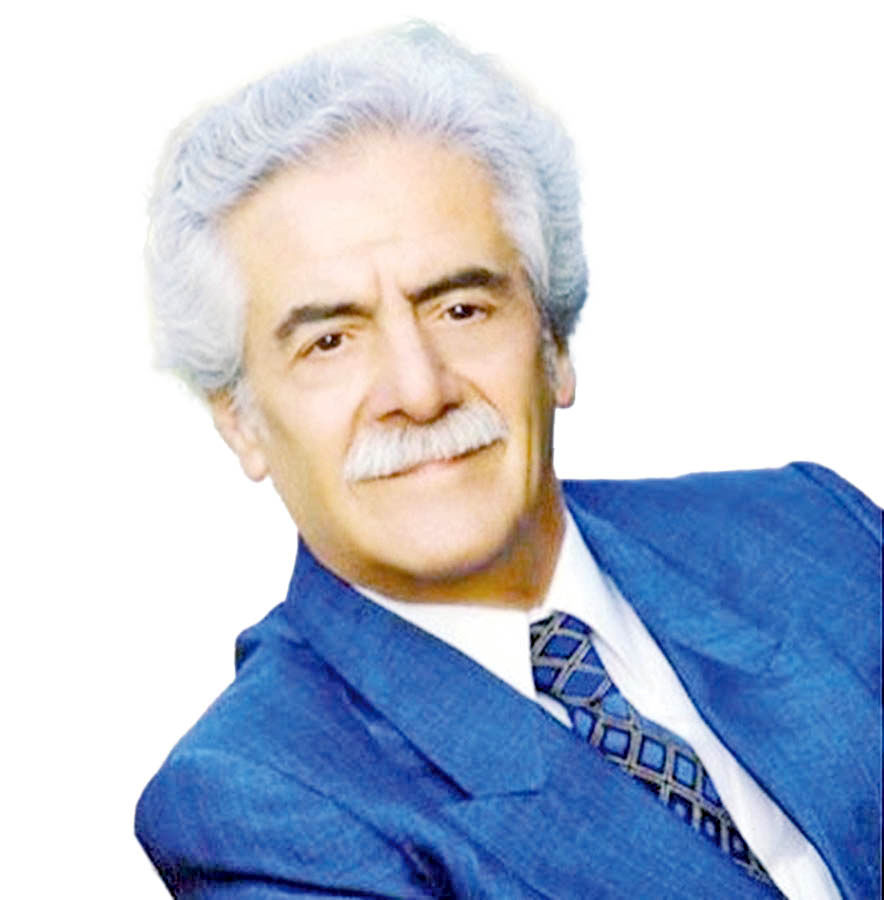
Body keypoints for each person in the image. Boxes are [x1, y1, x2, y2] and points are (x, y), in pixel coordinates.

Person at [135, 22, 881, 899]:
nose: (419, 391)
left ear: (554, 343)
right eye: (330, 341)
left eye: (461, 309)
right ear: (241, 422)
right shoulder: (255, 799)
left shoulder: (813, 529)